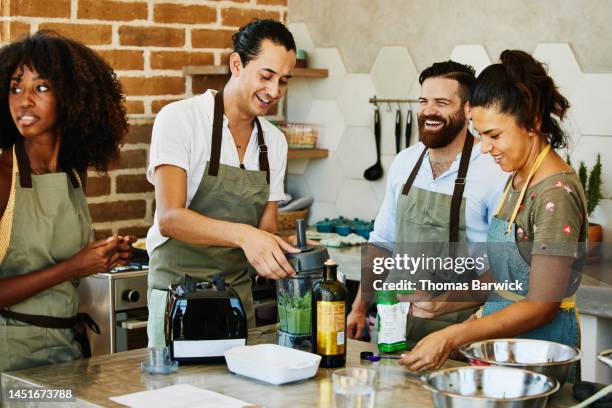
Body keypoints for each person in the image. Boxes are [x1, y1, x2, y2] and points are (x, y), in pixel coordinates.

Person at [399, 50, 587, 374]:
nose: (485, 148)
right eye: (479, 135)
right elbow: (506, 283)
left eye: (494, 135)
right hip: (505, 352)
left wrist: (453, 335)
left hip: (541, 354)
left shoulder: (556, 195)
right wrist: (459, 309)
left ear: (533, 122)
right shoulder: (517, 178)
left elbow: (541, 306)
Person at [146, 19, 300, 346]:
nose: (274, 91)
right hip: (178, 298)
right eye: (266, 75)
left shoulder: (274, 142)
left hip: (235, 301)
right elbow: (170, 218)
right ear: (236, 64)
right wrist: (245, 236)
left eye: (284, 81)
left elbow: (266, 226)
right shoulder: (180, 119)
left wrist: (282, 250)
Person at [347, 61, 506, 348]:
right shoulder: (405, 162)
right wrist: (359, 307)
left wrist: (442, 304)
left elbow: (503, 270)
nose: (429, 111)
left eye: (442, 102)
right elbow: (382, 243)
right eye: (423, 101)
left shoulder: (492, 172)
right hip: (394, 327)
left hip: (457, 334)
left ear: (468, 109)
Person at [0, 31, 134, 371]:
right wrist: (75, 267)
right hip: (10, 357)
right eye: (16, 87)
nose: (24, 100)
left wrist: (104, 256)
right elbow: (68, 267)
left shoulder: (74, 174)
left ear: (73, 97)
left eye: (41, 87)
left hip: (66, 351)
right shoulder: (2, 176)